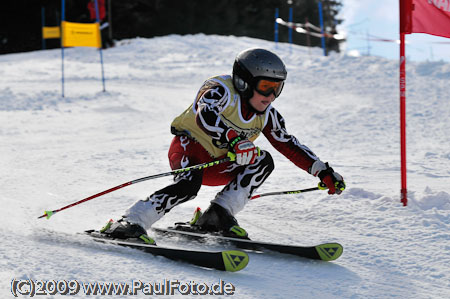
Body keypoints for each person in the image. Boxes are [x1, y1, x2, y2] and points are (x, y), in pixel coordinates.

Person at [100, 48, 345, 244]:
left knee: (263, 160)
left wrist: (322, 170)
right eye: (265, 87)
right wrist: (235, 139)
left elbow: (288, 144)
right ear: (244, 82)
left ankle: (218, 214)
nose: (270, 96)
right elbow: (204, 115)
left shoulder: (268, 114)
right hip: (189, 149)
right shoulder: (220, 89)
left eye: (277, 88)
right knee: (188, 186)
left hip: (222, 164)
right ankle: (130, 221)